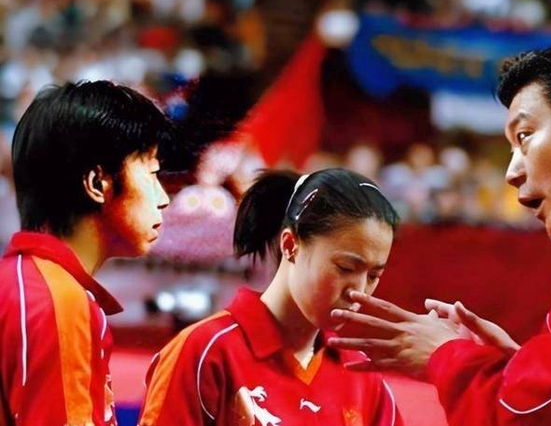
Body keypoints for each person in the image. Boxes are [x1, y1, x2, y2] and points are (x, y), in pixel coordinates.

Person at [327, 41, 551, 425]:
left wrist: (446, 355)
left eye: (524, 136)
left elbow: (539, 417)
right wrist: (523, 367)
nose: (512, 172)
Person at [139, 169, 404, 426]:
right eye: (345, 268)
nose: (358, 291)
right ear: (290, 245)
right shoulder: (204, 352)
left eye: (373, 276)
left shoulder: (361, 373)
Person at [0, 81, 172, 426]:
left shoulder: (22, 283)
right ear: (96, 183)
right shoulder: (58, 301)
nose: (163, 198)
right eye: (152, 174)